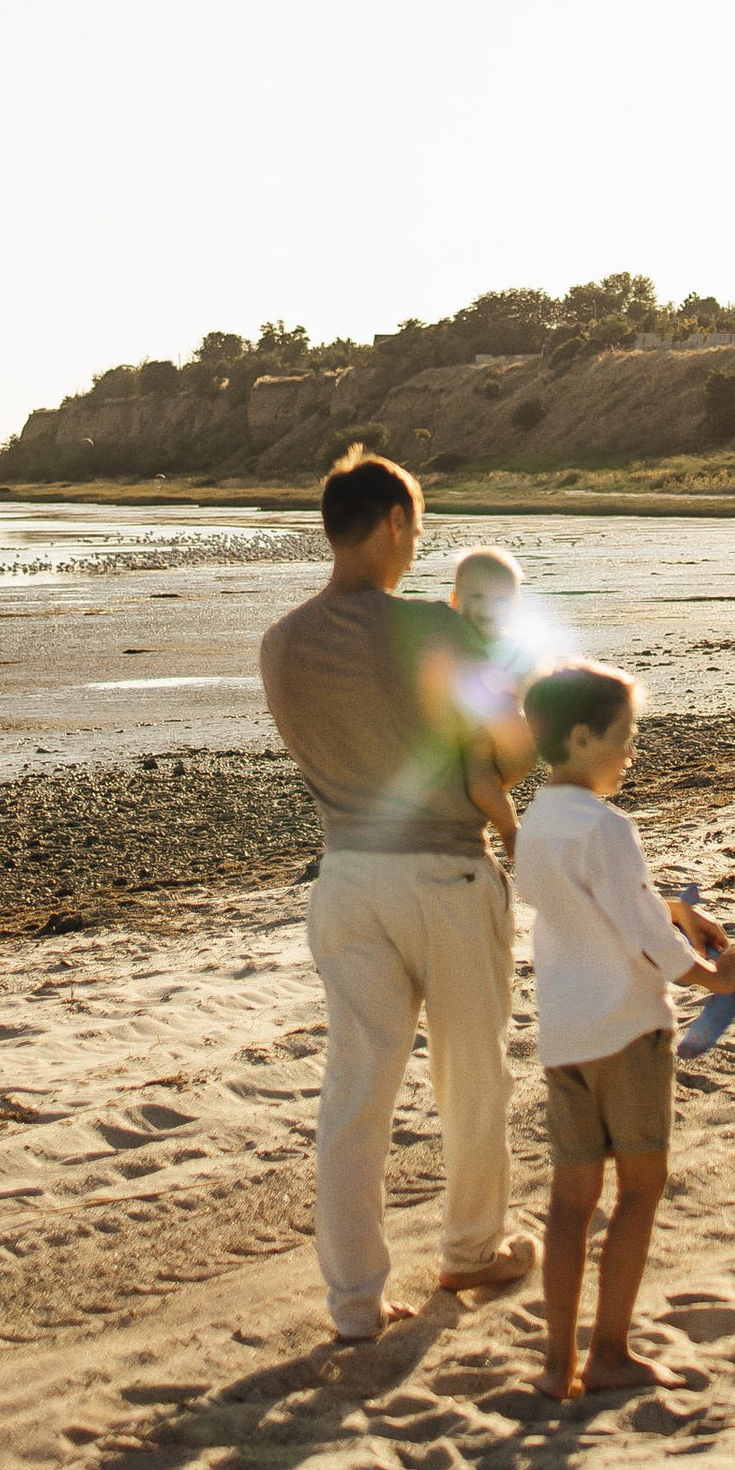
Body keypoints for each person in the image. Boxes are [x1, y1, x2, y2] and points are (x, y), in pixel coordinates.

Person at [258, 451, 535, 1340]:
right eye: (413, 528)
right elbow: (514, 752)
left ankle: (354, 1303)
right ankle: (469, 1249)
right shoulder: (433, 629)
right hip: (443, 874)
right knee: (471, 1076)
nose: (415, 548)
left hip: (345, 878)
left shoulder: (281, 642)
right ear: (388, 524)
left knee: (355, 1092)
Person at [513, 663, 735, 1398]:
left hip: (565, 1035)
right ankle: (611, 1350)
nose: (631, 752)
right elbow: (645, 936)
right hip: (627, 1031)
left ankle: (557, 1363)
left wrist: (679, 913)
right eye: (624, 739)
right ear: (583, 737)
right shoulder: (606, 825)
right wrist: (716, 976)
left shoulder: (535, 824)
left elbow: (597, 908)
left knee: (568, 1201)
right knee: (640, 1189)